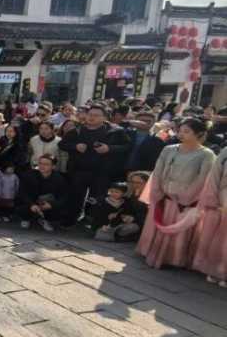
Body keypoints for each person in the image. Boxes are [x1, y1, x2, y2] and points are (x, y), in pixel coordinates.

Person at [137, 118, 215, 269]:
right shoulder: (169, 149)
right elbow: (158, 171)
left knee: (177, 228)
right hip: (164, 195)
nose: (181, 134)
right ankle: (150, 251)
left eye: (186, 131)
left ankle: (173, 258)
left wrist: (186, 197)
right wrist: (157, 191)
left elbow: (203, 179)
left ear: (199, 134)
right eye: (180, 130)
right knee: (159, 223)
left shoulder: (207, 154)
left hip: (185, 200)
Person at [59, 104, 131, 225]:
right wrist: (75, 146)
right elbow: (62, 144)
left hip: (102, 171)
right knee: (75, 196)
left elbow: (127, 146)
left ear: (104, 117)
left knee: (97, 198)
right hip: (79, 170)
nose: (92, 117)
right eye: (90, 114)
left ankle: (90, 220)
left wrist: (109, 148)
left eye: (96, 115)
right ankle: (71, 219)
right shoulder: (77, 130)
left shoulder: (115, 131)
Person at [194, 146, 227, 286]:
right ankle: (216, 270)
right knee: (219, 239)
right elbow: (214, 175)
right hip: (223, 199)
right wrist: (212, 199)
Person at [17, 155, 69, 231]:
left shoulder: (59, 179)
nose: (42, 166)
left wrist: (51, 205)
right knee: (21, 206)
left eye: (46, 164)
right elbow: (22, 192)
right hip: (31, 202)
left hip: (47, 203)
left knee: (62, 209)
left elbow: (63, 197)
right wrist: (31, 204)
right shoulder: (29, 175)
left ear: (53, 166)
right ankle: (26, 218)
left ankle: (44, 220)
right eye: (40, 163)